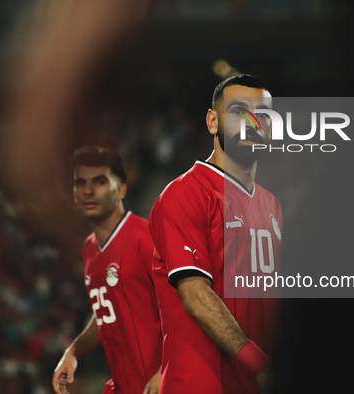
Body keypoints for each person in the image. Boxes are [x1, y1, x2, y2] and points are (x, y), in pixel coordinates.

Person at [149, 74, 283, 394]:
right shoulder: (185, 193)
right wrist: (257, 363)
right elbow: (195, 293)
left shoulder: (271, 203)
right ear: (212, 121)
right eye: (239, 112)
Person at [53, 146, 162, 394]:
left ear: (121, 189)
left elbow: (185, 309)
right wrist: (73, 351)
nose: (88, 190)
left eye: (99, 182)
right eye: (80, 183)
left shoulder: (147, 238)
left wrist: (164, 371)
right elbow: (106, 313)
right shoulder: (90, 249)